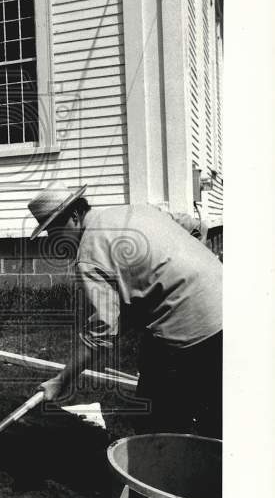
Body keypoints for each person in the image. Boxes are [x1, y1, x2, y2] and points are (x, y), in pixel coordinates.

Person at [27, 182, 222, 438]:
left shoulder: (89, 251)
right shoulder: (135, 211)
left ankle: (159, 470)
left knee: (157, 424)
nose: (53, 240)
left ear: (74, 217)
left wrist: (60, 380)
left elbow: (102, 333)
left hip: (190, 330)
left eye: (53, 231)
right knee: (221, 414)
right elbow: (195, 226)